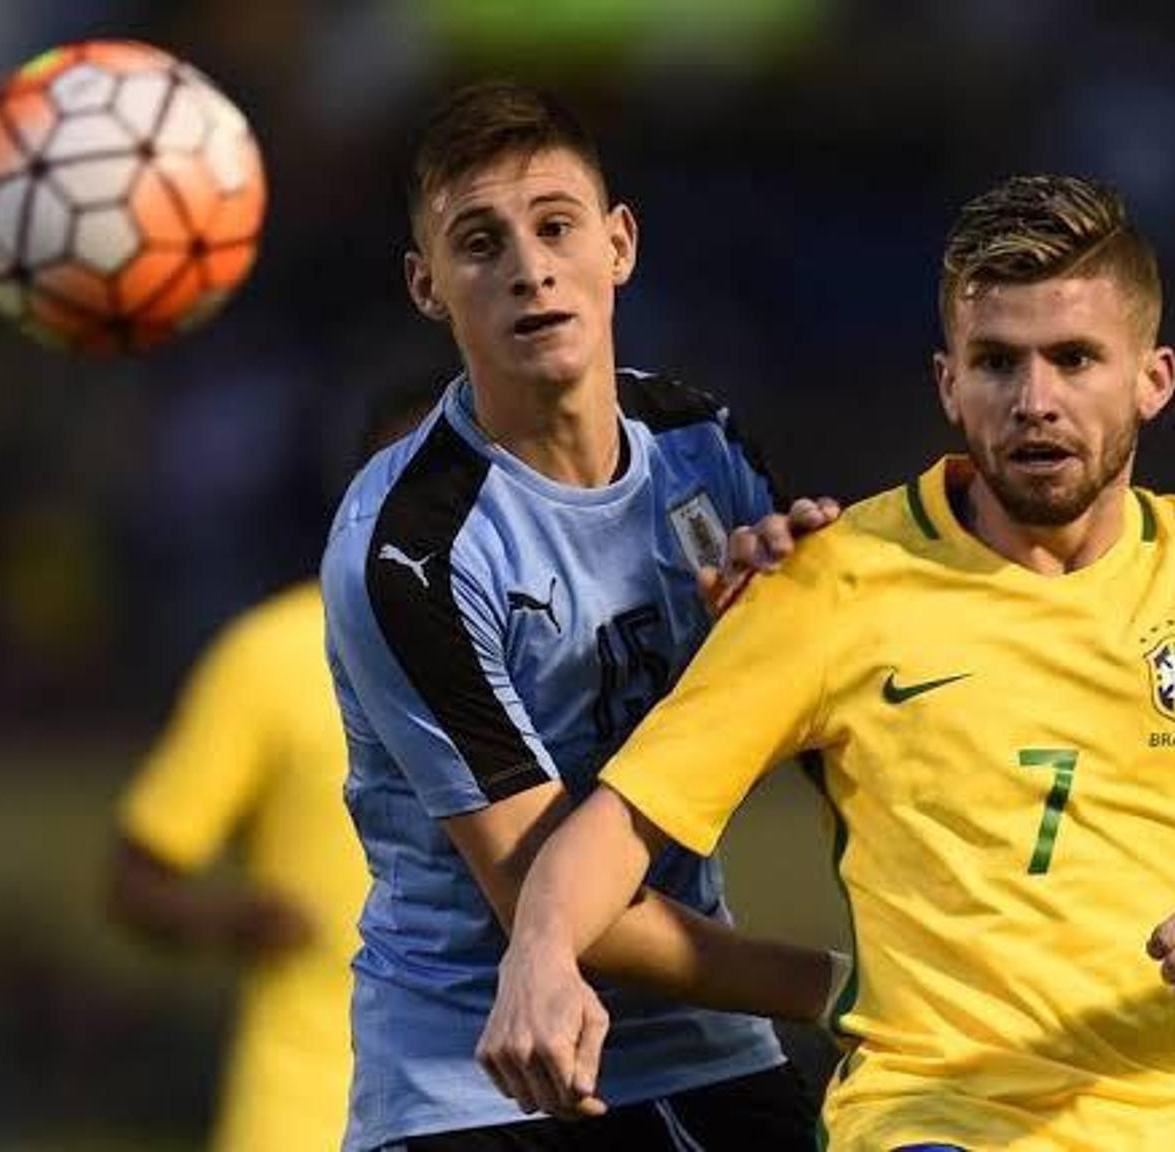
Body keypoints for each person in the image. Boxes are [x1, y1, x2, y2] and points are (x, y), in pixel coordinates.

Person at [479, 173, 1175, 1150]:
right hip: (932, 1122)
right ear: (948, 384)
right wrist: (539, 953)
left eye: (1075, 358)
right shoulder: (835, 583)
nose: (1036, 399)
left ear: (1154, 379)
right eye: (999, 362)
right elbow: (610, 835)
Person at [320, 81, 844, 1151]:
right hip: (481, 1062)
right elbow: (551, 906)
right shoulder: (408, 549)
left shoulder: (702, 446)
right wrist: (849, 987)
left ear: (620, 244)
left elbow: (823, 740)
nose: (528, 267)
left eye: (555, 226)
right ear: (428, 287)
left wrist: (822, 625)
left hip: (703, 1042)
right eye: (480, 244)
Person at [107, 377, 438, 1152]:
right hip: (305, 1115)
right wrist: (231, 920)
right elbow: (135, 881)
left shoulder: (549, 654)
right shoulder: (271, 656)